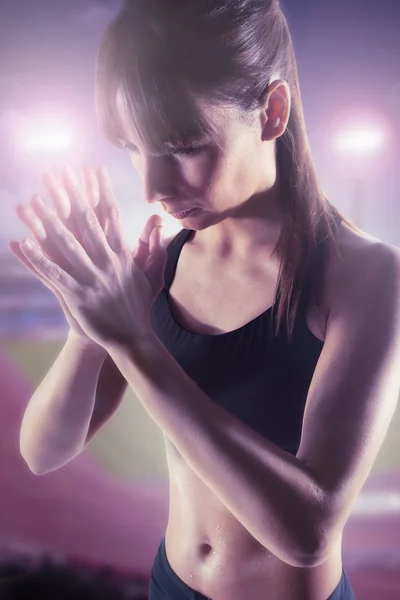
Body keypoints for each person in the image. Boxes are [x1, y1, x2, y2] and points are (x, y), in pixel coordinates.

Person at [9, 1, 400, 599]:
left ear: (271, 112)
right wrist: (89, 335)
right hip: (170, 584)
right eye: (133, 149)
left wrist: (135, 342)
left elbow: (309, 530)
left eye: (183, 146)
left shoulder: (367, 277)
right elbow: (43, 451)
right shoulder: (160, 264)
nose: (151, 187)